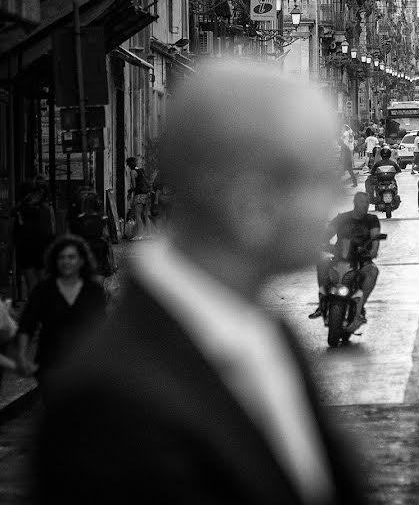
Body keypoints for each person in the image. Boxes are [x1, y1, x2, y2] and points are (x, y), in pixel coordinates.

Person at [32, 61, 365, 504]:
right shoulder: (112, 404)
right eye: (318, 178)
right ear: (251, 203)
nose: (331, 198)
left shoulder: (268, 335)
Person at [14, 235, 106, 393]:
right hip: (51, 362)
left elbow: (100, 325)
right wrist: (22, 356)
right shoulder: (43, 290)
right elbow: (27, 324)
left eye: (71, 257)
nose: (66, 262)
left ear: (81, 261)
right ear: (54, 261)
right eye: (61, 257)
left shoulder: (93, 290)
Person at [311, 192, 381, 327]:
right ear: (355, 202)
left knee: (372, 272)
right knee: (322, 265)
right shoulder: (342, 218)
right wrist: (321, 243)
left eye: (367, 202)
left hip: (361, 259)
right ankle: (323, 301)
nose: (365, 204)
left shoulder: (372, 219)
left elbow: (375, 237)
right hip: (340, 257)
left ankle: (360, 308)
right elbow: (327, 233)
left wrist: (373, 251)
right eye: (362, 201)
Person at [13, 175, 55, 296]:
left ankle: (34, 308)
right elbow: (50, 231)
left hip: (25, 249)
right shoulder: (45, 209)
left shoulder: (19, 209)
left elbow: (15, 233)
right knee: (44, 281)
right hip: (42, 248)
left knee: (31, 283)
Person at [125, 156, 154, 240]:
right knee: (146, 215)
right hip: (146, 195)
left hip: (139, 196)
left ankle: (139, 235)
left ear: (129, 165)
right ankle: (149, 235)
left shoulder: (133, 172)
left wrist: (129, 192)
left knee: (138, 215)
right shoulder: (141, 170)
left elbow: (134, 186)